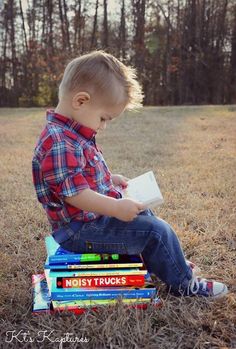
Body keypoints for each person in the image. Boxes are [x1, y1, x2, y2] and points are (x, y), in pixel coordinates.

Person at [32, 51, 228, 297]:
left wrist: (110, 181)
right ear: (80, 101)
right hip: (80, 231)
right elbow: (76, 195)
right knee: (155, 230)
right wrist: (115, 208)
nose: (103, 126)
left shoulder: (71, 134)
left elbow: (80, 175)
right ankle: (183, 284)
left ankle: (169, 264)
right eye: (103, 118)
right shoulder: (59, 140)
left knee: (143, 212)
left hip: (90, 221)